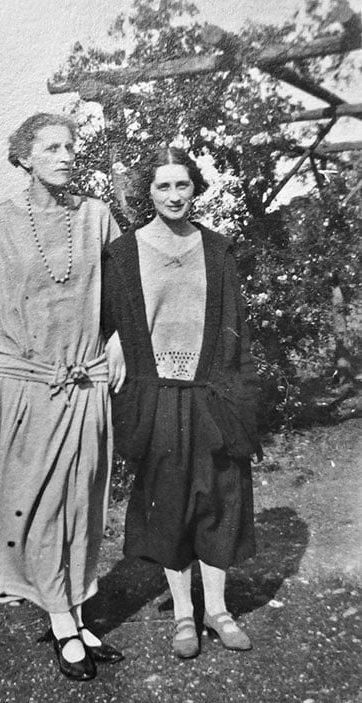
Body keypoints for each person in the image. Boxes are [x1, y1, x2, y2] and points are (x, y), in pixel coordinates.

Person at [0, 112, 123, 680]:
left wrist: (119, 343)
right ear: (24, 157)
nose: (65, 155)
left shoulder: (97, 217)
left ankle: (76, 612)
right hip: (23, 381)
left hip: (83, 377)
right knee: (37, 504)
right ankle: (62, 620)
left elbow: (124, 294)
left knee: (81, 499)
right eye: (51, 147)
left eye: (70, 146)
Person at [102, 146, 262, 659]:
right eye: (162, 186)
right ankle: (184, 617)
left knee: (218, 501)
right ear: (146, 194)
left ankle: (217, 610)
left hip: (211, 393)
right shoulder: (123, 254)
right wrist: (114, 338)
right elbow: (109, 317)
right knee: (170, 504)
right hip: (157, 396)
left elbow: (235, 328)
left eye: (183, 185)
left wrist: (233, 394)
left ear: (196, 189)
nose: (174, 196)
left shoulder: (218, 251)